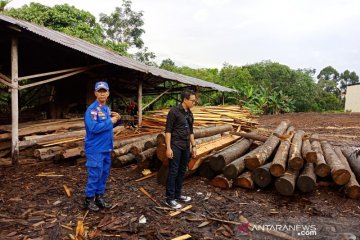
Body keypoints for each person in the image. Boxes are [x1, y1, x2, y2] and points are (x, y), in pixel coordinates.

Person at [84, 81, 122, 212]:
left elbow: (108, 126)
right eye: (99, 91)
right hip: (95, 149)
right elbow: (93, 128)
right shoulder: (91, 110)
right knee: (95, 174)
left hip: (106, 148)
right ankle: (89, 199)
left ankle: (99, 197)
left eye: (104, 91)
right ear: (95, 93)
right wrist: (109, 121)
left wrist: (117, 119)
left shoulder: (106, 109)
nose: (102, 94)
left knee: (104, 174)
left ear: (108, 93)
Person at [165, 89, 197, 209]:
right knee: (173, 171)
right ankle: (170, 198)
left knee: (182, 170)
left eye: (195, 100)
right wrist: (168, 148)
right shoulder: (174, 112)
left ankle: (178, 195)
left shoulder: (189, 113)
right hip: (175, 145)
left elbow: (191, 132)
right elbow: (168, 131)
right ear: (185, 100)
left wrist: (193, 146)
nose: (194, 102)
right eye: (192, 100)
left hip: (185, 146)